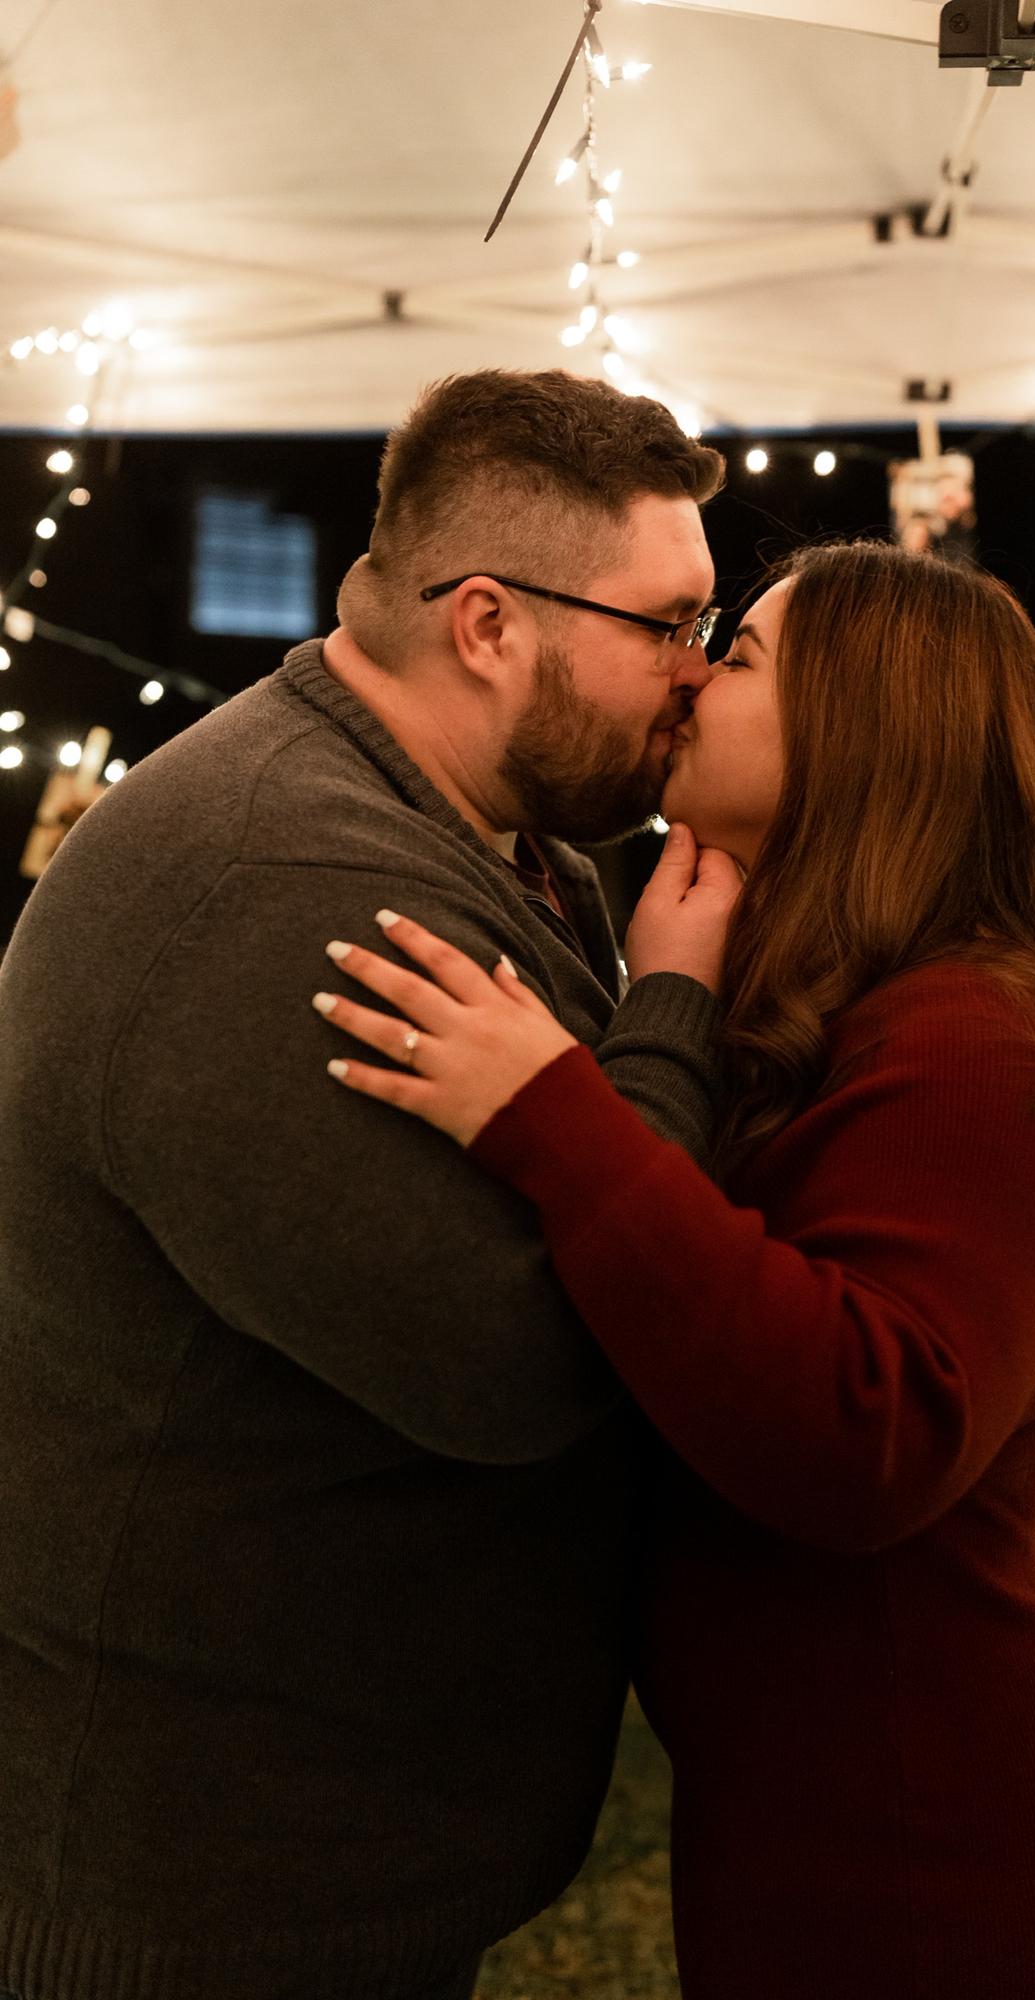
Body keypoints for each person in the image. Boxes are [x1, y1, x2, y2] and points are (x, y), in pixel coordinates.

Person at [311, 539, 1035, 2000]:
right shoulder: (847, 999)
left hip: (944, 1812)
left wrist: (552, 1115)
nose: (686, 675)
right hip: (832, 1781)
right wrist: (673, 996)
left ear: (861, 730)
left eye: (736, 656)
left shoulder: (981, 1036)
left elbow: (868, 1431)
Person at [0, 368, 744, 2000]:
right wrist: (676, 1009)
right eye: (670, 626)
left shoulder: (475, 828)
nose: (697, 674)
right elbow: (532, 1363)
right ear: (488, 623)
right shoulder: (280, 885)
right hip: (206, 1898)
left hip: (317, 1846)